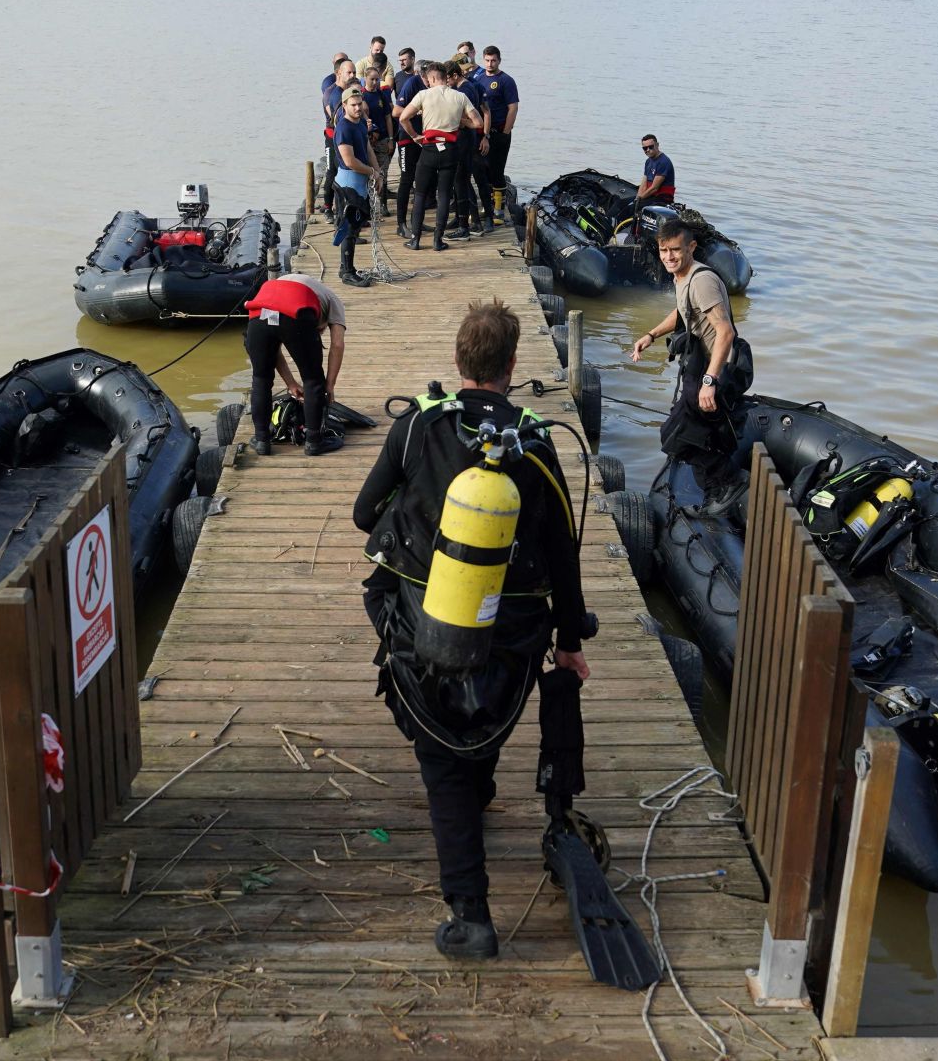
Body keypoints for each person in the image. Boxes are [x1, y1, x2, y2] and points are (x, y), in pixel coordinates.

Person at [353, 298, 589, 959]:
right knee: (479, 720)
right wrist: (569, 642)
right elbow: (563, 552)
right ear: (513, 366)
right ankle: (477, 781)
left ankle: (471, 914)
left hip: (424, 626)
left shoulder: (417, 426)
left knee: (441, 758)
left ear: (460, 362)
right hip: (512, 632)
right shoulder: (538, 440)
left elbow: (361, 512)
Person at [630, 218, 752, 508]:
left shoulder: (702, 281)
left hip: (715, 370)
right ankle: (715, 491)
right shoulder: (681, 277)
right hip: (699, 367)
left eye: (675, 250)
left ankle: (731, 479)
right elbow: (684, 311)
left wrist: (710, 382)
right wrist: (651, 334)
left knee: (673, 437)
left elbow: (725, 332)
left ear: (691, 247)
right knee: (691, 434)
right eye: (663, 250)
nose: (668, 257)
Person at [242, 271, 349, 457]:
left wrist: (290, 383)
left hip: (259, 313)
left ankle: (261, 441)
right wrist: (329, 385)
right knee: (313, 380)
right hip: (296, 311)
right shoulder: (333, 300)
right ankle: (315, 442)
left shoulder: (281, 283)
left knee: (261, 378)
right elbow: (337, 345)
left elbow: (273, 348)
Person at [396, 60, 484, 251]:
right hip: (450, 150)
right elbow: (478, 123)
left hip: (428, 148)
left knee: (419, 195)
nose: (426, 82)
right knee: (443, 195)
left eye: (428, 79)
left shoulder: (423, 95)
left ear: (434, 78)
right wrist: (462, 122)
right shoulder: (460, 97)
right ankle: (438, 240)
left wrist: (414, 136)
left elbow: (403, 117)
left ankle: (415, 239)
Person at [332, 85, 379, 287]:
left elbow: (367, 148)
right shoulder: (343, 128)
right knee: (349, 229)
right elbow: (349, 160)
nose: (358, 108)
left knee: (356, 226)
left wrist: (378, 172)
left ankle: (346, 266)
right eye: (353, 105)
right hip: (348, 183)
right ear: (344, 106)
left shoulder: (360, 123)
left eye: (360, 104)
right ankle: (347, 272)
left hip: (360, 182)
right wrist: (371, 172)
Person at [450, 58, 491, 236]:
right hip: (466, 138)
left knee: (475, 179)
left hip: (470, 138)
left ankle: (483, 218)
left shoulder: (470, 88)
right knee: (462, 180)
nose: (467, 71)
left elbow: (483, 113)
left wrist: (485, 136)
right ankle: (465, 217)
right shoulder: (459, 88)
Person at [478, 46, 519, 217]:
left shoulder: (506, 80)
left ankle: (499, 210)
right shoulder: (479, 79)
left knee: (497, 170)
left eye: (493, 60)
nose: (490, 63)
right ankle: (486, 206)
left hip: (500, 132)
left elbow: (513, 107)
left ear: (499, 61)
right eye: (487, 60)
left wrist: (505, 131)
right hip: (483, 133)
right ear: (483, 60)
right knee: (483, 169)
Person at [391, 47, 425, 236]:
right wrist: (416, 112)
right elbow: (397, 111)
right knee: (406, 179)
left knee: (421, 180)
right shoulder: (411, 83)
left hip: (422, 139)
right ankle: (401, 224)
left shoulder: (429, 86)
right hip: (407, 137)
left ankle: (416, 220)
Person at [320, 56, 357, 216]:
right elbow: (338, 121)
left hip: (347, 138)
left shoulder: (348, 92)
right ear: (339, 73)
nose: (353, 75)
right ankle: (328, 207)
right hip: (333, 138)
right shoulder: (333, 94)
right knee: (332, 172)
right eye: (349, 72)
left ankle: (347, 209)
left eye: (354, 72)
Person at [357, 64, 394, 206]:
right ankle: (370, 204)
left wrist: (391, 139)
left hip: (383, 139)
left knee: (382, 172)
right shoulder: (361, 96)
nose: (375, 82)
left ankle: (383, 204)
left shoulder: (382, 95)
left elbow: (388, 117)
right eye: (372, 79)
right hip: (368, 140)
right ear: (365, 78)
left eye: (377, 79)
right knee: (370, 173)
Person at [637, 134, 675, 202]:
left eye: (651, 147)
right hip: (650, 196)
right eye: (645, 148)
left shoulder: (663, 162)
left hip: (662, 198)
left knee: (632, 207)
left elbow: (654, 188)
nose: (648, 150)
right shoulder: (648, 161)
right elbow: (643, 184)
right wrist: (637, 198)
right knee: (621, 203)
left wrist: (640, 199)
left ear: (657, 145)